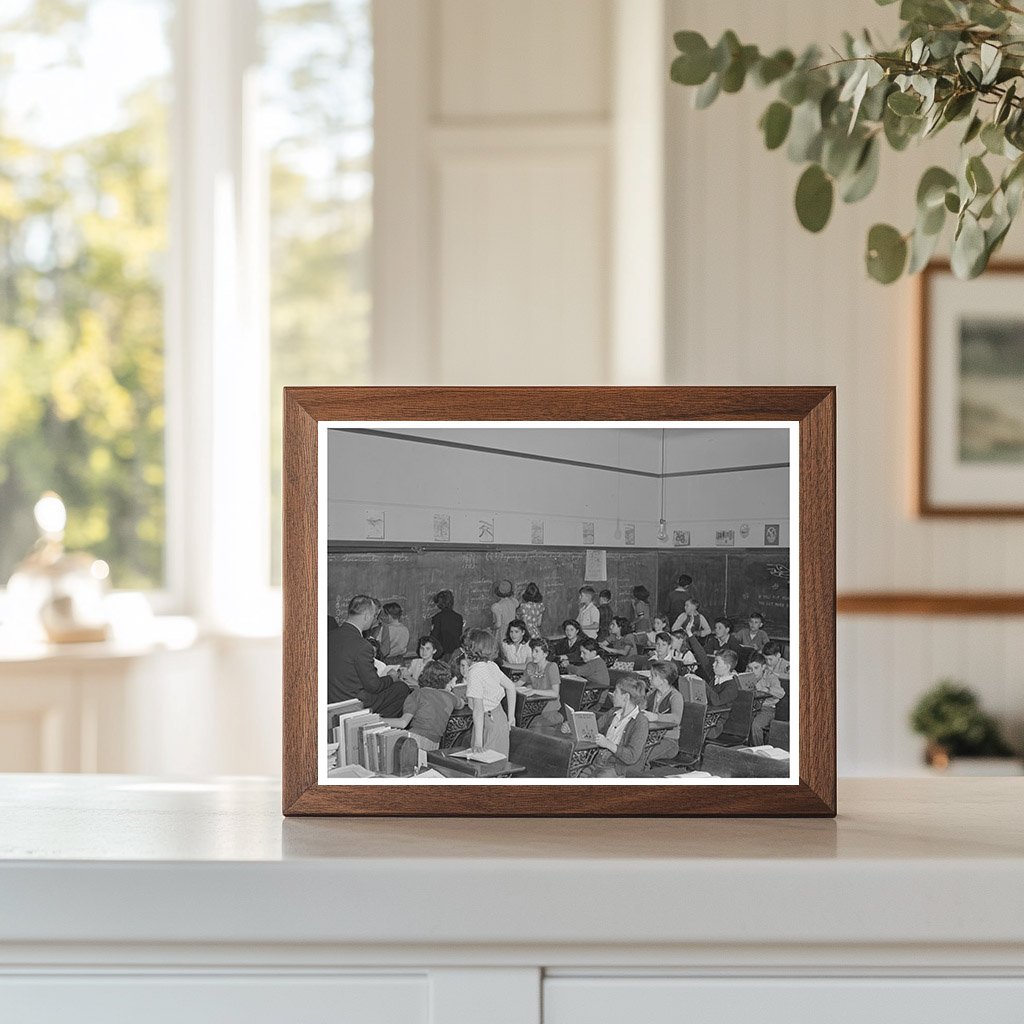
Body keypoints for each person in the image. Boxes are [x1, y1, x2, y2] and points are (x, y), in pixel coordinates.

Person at [327, 594, 410, 716]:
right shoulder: (362, 645)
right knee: (401, 688)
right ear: (366, 616)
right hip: (353, 701)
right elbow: (374, 686)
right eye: (374, 616)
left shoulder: (329, 636)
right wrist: (392, 677)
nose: (374, 620)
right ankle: (378, 727)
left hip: (332, 697)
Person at [382, 660, 463, 751]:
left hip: (414, 740)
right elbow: (461, 704)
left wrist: (377, 720)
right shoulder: (450, 697)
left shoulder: (419, 694)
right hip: (434, 744)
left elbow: (403, 723)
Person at [580, 675, 650, 778]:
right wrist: (572, 727)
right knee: (576, 776)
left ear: (626, 697)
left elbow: (631, 756)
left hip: (618, 767)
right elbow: (594, 728)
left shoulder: (640, 722)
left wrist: (608, 744)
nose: (613, 695)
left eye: (616, 692)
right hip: (599, 760)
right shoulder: (613, 712)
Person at [463, 628, 518, 755]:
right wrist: (511, 717)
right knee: (497, 762)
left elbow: (478, 709)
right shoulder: (491, 665)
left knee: (485, 763)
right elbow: (511, 687)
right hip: (499, 717)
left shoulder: (475, 671)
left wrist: (478, 743)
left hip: (487, 721)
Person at [519, 637, 563, 732]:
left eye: (537, 651)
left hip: (549, 710)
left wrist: (534, 691)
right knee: (520, 721)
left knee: (528, 725)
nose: (533, 654)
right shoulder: (530, 666)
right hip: (533, 708)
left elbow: (555, 693)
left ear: (545, 654)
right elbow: (518, 684)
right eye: (532, 651)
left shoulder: (552, 667)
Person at [644, 661, 685, 761]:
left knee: (643, 755)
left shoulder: (675, 696)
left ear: (663, 681)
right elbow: (642, 706)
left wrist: (656, 717)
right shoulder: (652, 693)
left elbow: (676, 719)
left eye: (653, 676)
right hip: (652, 737)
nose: (650, 678)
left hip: (669, 741)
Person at [747, 652, 786, 745]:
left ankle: (759, 749)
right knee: (742, 722)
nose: (753, 671)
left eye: (756, 668)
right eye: (750, 668)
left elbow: (781, 693)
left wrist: (766, 689)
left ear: (763, 667)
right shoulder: (748, 675)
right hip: (751, 707)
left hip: (767, 709)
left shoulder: (771, 677)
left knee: (756, 725)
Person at [705, 650, 741, 740]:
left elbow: (716, 701)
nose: (713, 665)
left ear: (727, 667)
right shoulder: (716, 679)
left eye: (717, 662)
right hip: (708, 716)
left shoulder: (731, 686)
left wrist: (703, 685)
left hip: (717, 723)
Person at [429, 589, 464, 658]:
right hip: (456, 653)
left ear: (439, 603)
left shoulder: (437, 618)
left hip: (442, 653)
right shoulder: (459, 617)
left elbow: (434, 637)